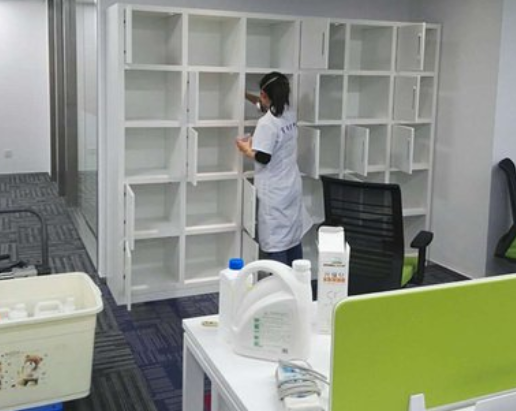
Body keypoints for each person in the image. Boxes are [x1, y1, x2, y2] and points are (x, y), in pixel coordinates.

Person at [236, 72, 312, 267]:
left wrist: (246, 149)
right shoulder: (289, 112)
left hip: (275, 194)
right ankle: (297, 282)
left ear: (264, 93)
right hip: (291, 187)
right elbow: (263, 106)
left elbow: (263, 157)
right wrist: (244, 95)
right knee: (292, 240)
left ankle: (280, 282)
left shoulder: (266, 124)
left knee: (276, 245)